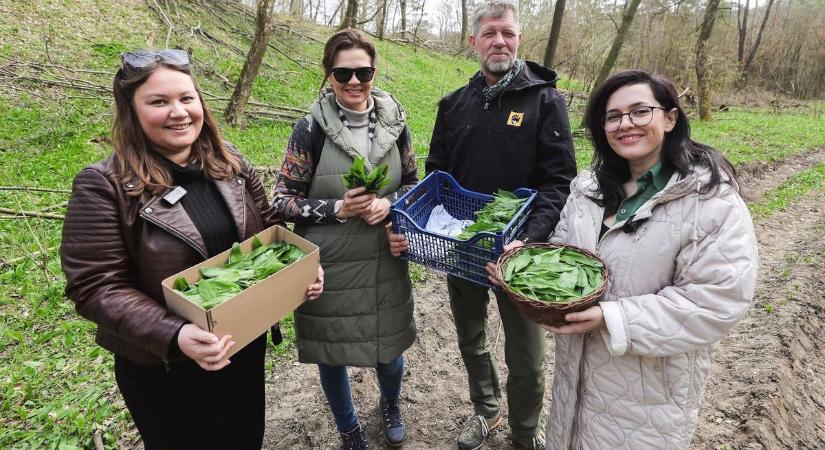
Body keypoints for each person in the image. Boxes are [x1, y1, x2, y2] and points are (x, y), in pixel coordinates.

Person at [60, 49, 323, 450]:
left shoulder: (230, 162)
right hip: (165, 365)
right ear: (131, 109)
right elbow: (95, 286)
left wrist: (300, 269)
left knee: (243, 437)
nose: (179, 112)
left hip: (239, 344)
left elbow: (269, 228)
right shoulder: (105, 185)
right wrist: (176, 333)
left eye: (187, 98)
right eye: (159, 102)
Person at [391, 1, 576, 449]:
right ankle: (487, 412)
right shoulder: (454, 105)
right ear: (473, 42)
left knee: (528, 356)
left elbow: (559, 181)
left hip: (520, 254)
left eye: (508, 33)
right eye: (490, 33)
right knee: (472, 339)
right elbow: (435, 174)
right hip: (462, 247)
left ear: (518, 40)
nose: (499, 41)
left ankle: (525, 431)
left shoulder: (545, 100)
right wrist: (414, 224)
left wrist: (528, 240)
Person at [541, 70, 758, 449]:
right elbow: (564, 251)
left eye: (640, 112)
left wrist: (612, 318)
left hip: (647, 400)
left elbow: (717, 301)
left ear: (670, 118)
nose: (626, 124)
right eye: (613, 116)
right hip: (573, 381)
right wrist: (531, 266)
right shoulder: (588, 188)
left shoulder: (709, 201)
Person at [271, 29, 417, 450]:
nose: (354, 81)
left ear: (374, 71)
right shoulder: (309, 128)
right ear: (328, 74)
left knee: (389, 349)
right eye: (343, 72)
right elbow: (282, 201)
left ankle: (390, 403)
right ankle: (349, 429)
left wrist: (389, 206)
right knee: (332, 352)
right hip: (328, 264)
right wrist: (337, 209)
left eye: (363, 71)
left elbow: (413, 185)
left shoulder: (396, 122)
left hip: (384, 256)